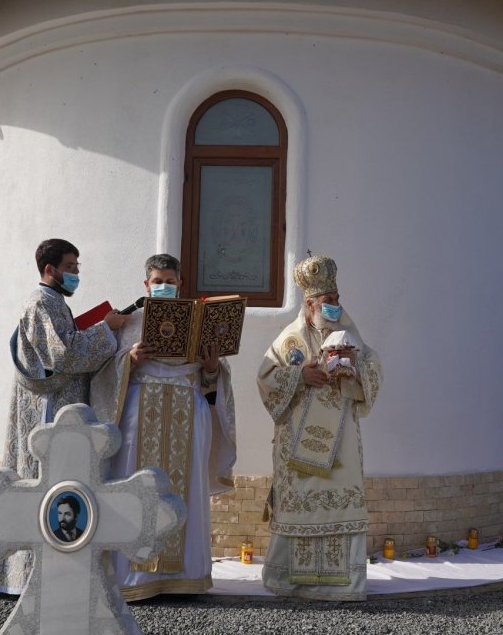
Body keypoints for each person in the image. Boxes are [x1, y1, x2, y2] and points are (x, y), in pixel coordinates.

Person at [91, 253, 236, 601]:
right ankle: (134, 577)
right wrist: (130, 360)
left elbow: (215, 379)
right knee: (135, 483)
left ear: (180, 283)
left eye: (170, 281)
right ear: (146, 285)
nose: (164, 287)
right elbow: (104, 374)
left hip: (189, 411)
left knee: (188, 488)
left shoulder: (198, 322)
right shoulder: (130, 322)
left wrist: (213, 366)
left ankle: (186, 575)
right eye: (158, 281)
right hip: (140, 415)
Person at [0, 238, 125, 594]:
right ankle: (30, 578)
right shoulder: (41, 303)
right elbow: (62, 356)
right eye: (71, 268)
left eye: (77, 268)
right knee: (42, 484)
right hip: (47, 412)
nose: (76, 275)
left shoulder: (54, 302)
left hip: (61, 406)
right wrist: (106, 327)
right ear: (50, 269)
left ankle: (55, 573)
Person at [257, 254, 382, 600]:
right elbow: (265, 379)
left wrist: (354, 370)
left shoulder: (349, 332)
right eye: (328, 302)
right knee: (300, 504)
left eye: (337, 299)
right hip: (297, 444)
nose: (335, 306)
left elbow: (374, 368)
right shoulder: (290, 340)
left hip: (341, 441)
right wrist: (300, 375)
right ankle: (292, 581)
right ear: (310, 303)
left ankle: (341, 584)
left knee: (340, 503)